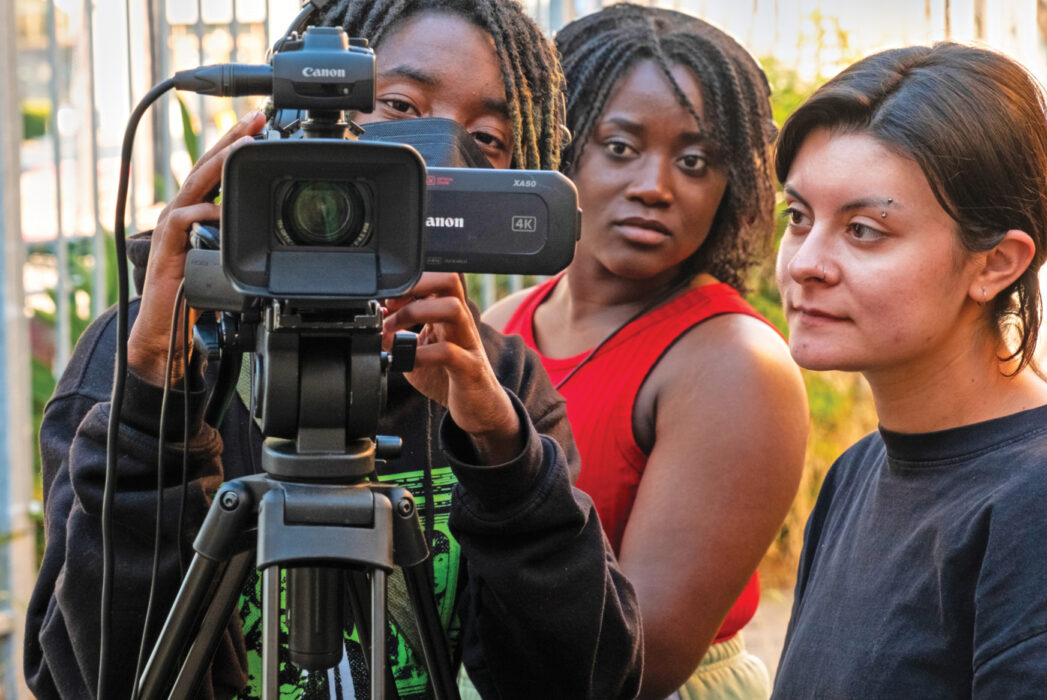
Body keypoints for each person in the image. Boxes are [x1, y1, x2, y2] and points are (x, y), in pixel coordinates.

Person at [25, 1, 643, 698]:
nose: (430, 150)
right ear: (289, 120)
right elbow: (86, 681)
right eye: (400, 106)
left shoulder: (497, 384)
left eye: (487, 136)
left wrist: (505, 455)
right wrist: (152, 407)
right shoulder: (134, 358)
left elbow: (586, 681)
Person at [771, 43, 1047, 697]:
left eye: (863, 230)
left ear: (996, 263)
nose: (805, 262)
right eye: (798, 218)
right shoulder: (857, 474)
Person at [483, 5, 808, 698]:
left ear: (730, 186)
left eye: (694, 161)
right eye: (621, 147)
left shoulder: (733, 361)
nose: (655, 187)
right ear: (560, 147)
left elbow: (642, 660)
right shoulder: (504, 325)